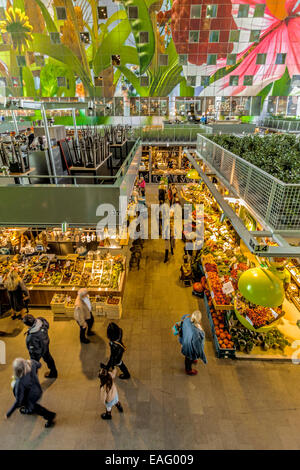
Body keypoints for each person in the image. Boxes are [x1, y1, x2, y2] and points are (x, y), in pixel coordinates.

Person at [6, 358, 56, 428]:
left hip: (30, 396)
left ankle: (50, 416)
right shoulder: (31, 363)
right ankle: (29, 409)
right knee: (31, 404)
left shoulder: (20, 382)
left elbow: (18, 401)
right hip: (37, 390)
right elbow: (39, 365)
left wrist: (9, 413)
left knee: (34, 407)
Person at [23, 314, 58, 379]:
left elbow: (33, 349)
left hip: (37, 351)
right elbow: (47, 325)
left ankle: (33, 382)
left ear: (27, 325)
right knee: (48, 358)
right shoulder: (41, 321)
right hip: (45, 344)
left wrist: (34, 356)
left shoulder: (32, 337)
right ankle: (54, 372)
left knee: (33, 366)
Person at [179, 311, 207, 375]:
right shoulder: (196, 332)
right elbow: (197, 346)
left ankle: (192, 360)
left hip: (185, 341)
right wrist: (202, 356)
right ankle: (188, 370)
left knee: (188, 356)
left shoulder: (186, 320)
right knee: (189, 357)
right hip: (190, 346)